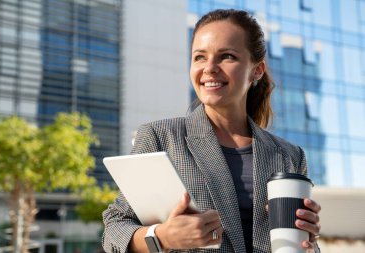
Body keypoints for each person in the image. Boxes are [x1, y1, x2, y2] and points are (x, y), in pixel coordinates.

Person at [102, 9, 321, 253]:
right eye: (199, 57)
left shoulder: (290, 155)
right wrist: (162, 236)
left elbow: (304, 246)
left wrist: (309, 242)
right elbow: (115, 229)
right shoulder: (160, 137)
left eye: (226, 56)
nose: (210, 68)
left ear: (256, 70)